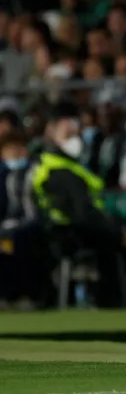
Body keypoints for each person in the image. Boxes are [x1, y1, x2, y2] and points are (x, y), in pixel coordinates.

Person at [28, 101, 126, 308]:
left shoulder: (54, 164)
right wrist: (117, 230)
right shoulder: (60, 170)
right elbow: (83, 212)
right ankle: (115, 301)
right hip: (69, 233)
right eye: (68, 133)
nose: (75, 138)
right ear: (51, 131)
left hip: (59, 230)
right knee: (115, 240)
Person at [0, 131, 46, 308]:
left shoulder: (36, 171)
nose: (16, 153)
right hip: (8, 225)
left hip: (32, 223)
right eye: (11, 150)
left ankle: (25, 294)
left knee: (16, 241)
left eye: (19, 148)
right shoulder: (4, 175)